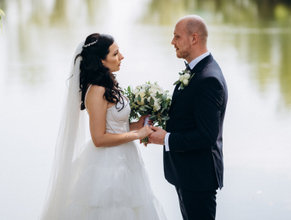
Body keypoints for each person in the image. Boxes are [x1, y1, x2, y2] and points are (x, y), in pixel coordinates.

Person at [40, 33, 166, 220]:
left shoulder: (109, 85)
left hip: (126, 160)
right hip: (106, 166)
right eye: (115, 54)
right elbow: (99, 138)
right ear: (101, 60)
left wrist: (136, 125)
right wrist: (137, 134)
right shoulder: (96, 90)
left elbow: (116, 126)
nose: (121, 57)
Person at [149, 15, 228, 220]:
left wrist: (165, 138)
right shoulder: (196, 70)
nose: (172, 42)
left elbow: (206, 136)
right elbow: (187, 114)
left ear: (194, 39)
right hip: (188, 174)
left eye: (177, 36)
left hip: (199, 177)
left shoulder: (208, 79)